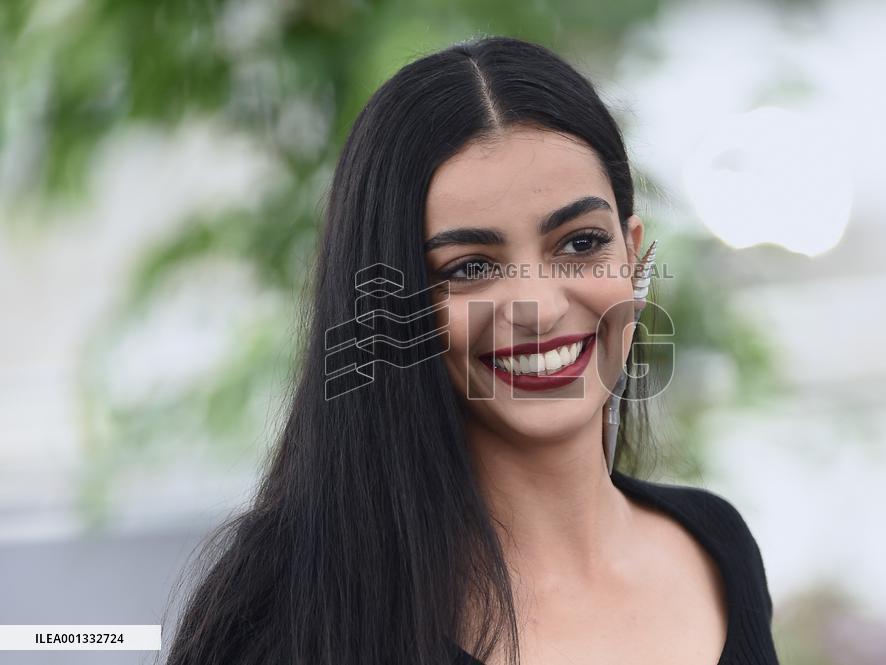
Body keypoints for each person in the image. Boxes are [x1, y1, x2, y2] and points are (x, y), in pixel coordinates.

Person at [163, 35, 779, 665]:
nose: (537, 309)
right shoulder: (291, 619)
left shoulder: (717, 550)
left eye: (579, 243)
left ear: (634, 254)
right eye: (470, 268)